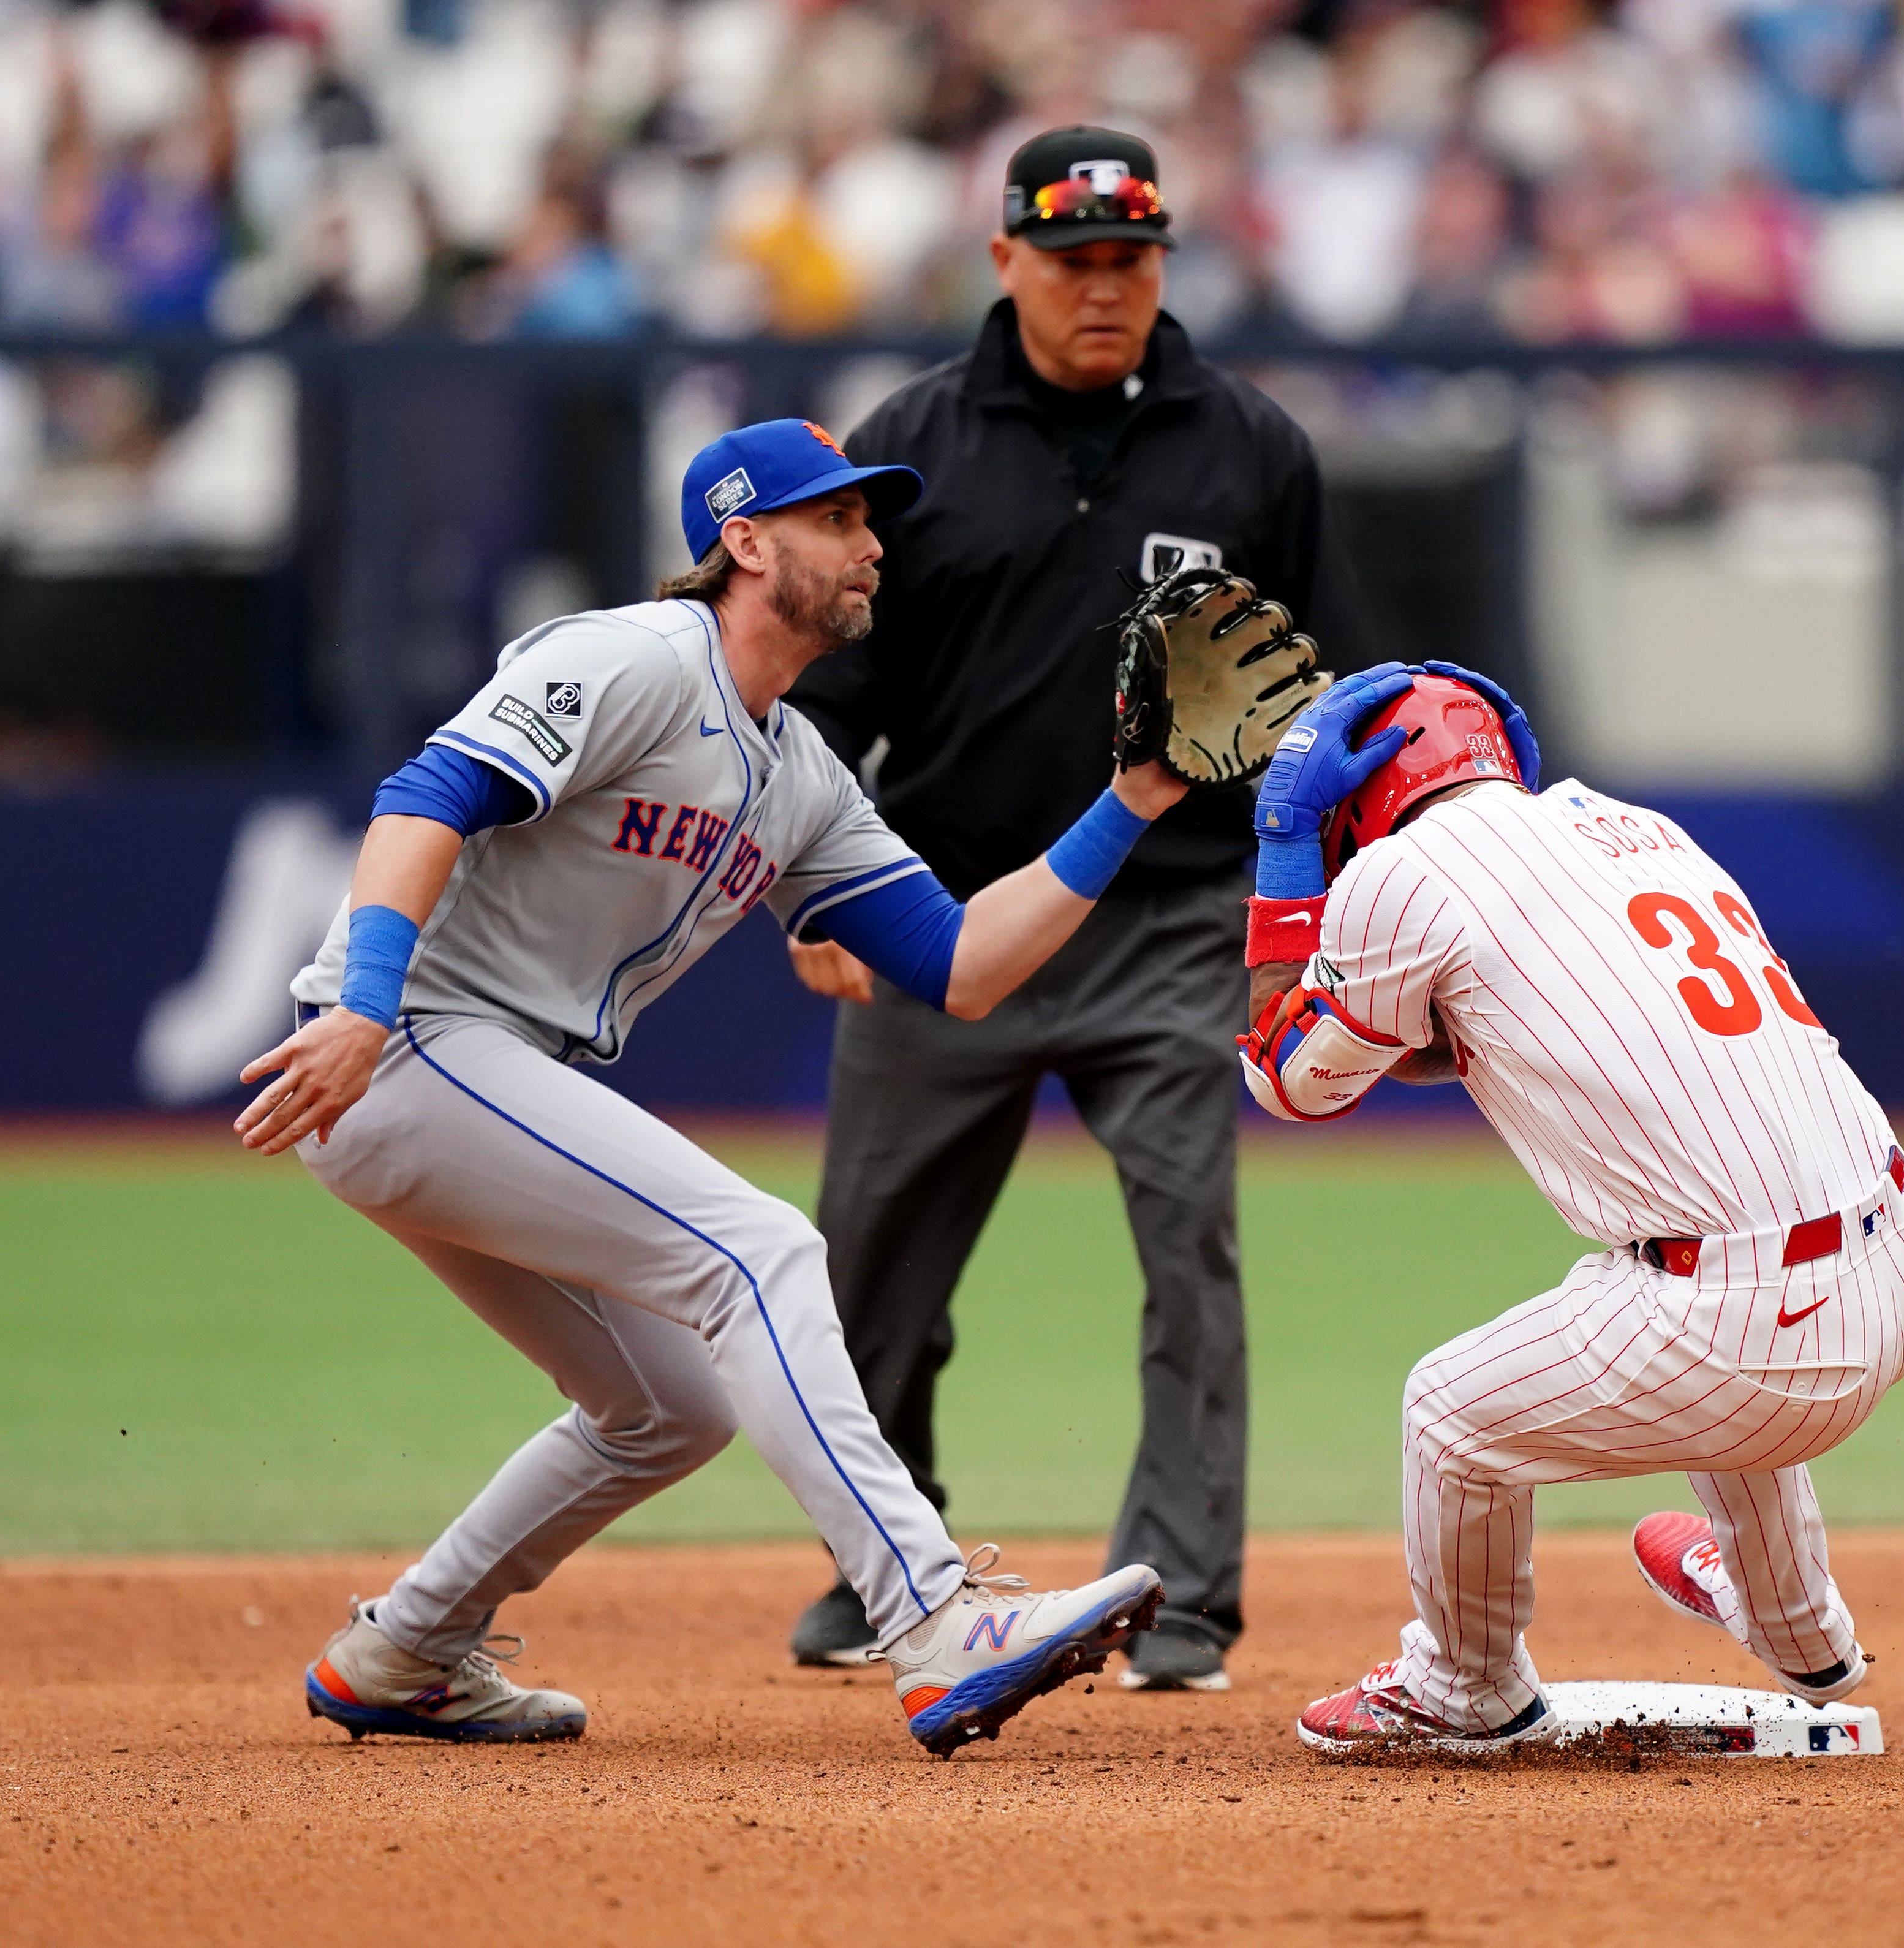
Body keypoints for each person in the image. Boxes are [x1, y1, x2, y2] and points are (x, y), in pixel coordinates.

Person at [238, 418, 1183, 1759]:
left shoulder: (798, 771)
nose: (871, 547)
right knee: (759, 1251)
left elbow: (962, 966)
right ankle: (934, 1620)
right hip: (410, 1043)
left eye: (871, 522)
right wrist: (368, 1003)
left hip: (475, 1077)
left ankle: (407, 1648)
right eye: (839, 521)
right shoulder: (630, 657)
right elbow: (422, 795)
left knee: (667, 1408)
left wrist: (1133, 798)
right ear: (744, 542)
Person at [778, 126, 1363, 1691]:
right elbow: (826, 698)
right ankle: (883, 1571)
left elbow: (1322, 716)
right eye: (1075, 258)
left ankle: (1181, 1604)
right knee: (866, 1275)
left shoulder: (1253, 448)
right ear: (1007, 262)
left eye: (1134, 258)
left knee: (1192, 1266)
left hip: (1173, 926)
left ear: (1166, 263)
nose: (1106, 287)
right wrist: (820, 888)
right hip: (937, 915)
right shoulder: (913, 443)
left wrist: (1303, 918)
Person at [1232, 664, 1904, 1754]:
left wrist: (1285, 853)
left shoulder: (1398, 873)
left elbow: (1293, 1082)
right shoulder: (1629, 822)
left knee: (1449, 1414)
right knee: (1684, 1270)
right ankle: (1799, 1630)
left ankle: (1463, 1689)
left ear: (1359, 802)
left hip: (1750, 1332)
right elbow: (1486, 1016)